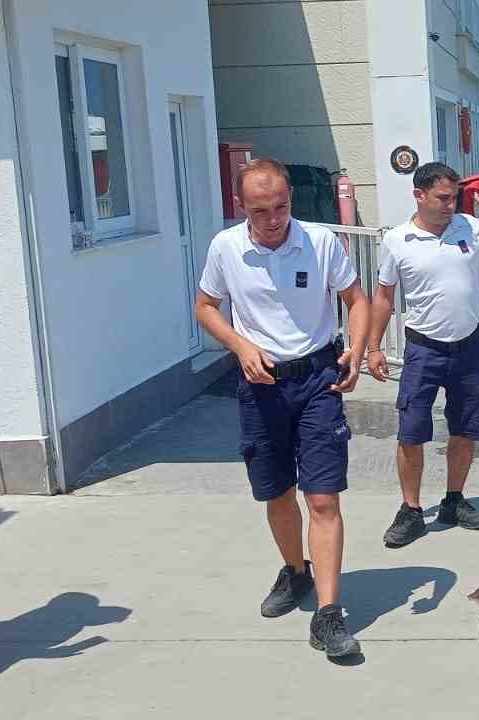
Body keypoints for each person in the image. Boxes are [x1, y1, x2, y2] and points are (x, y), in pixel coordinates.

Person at [195, 157, 371, 658]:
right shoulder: (225, 248)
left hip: (318, 379)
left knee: (322, 499)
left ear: (291, 198)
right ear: (241, 207)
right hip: (261, 385)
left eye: (282, 206)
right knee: (277, 493)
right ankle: (296, 572)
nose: (274, 218)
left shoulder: (319, 242)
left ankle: (329, 615)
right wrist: (240, 345)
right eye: (261, 210)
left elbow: (356, 300)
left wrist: (355, 352)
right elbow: (206, 307)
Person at [365, 162, 479, 548]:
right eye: (442, 197)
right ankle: (411, 510)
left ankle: (455, 500)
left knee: (466, 428)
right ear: (419, 195)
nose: (450, 205)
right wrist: (372, 348)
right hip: (423, 350)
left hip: (468, 347)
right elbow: (384, 298)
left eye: (454, 197)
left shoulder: (469, 228)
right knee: (411, 432)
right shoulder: (398, 241)